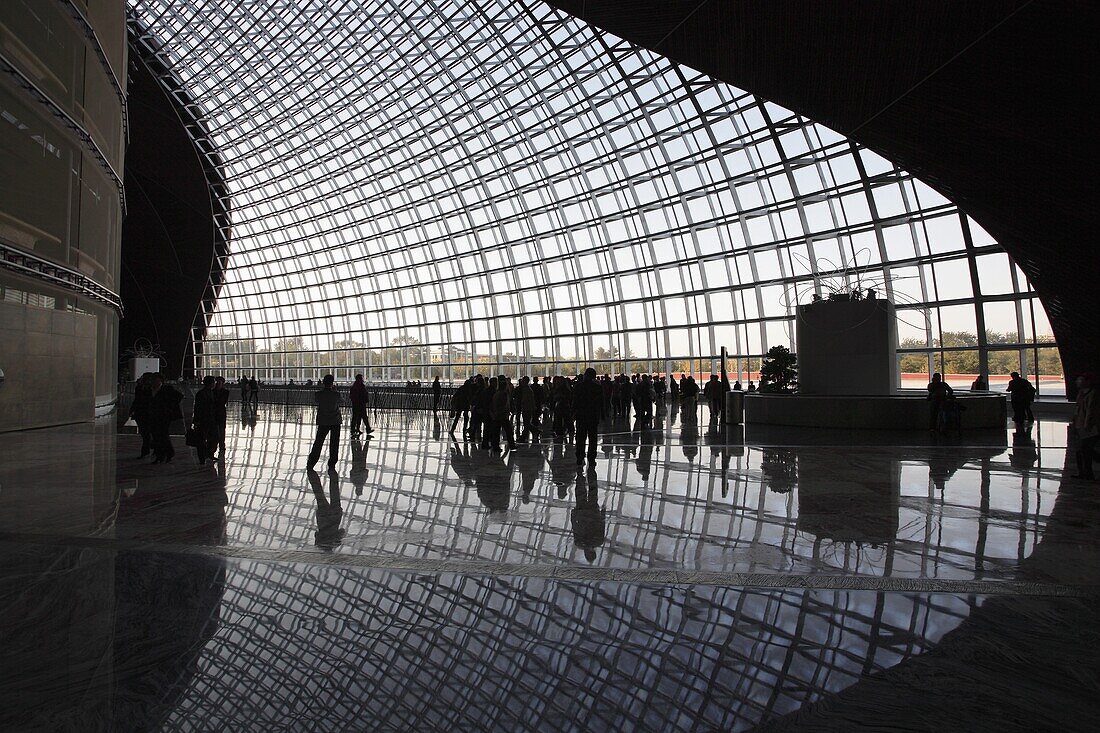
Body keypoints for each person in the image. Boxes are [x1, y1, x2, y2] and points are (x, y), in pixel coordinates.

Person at [307, 374, 341, 472]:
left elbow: (316, 401)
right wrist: (335, 391)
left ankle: (312, 461)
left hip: (323, 420)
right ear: (332, 382)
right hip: (335, 421)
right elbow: (341, 401)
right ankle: (332, 463)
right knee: (334, 443)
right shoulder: (336, 394)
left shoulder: (318, 394)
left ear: (323, 382)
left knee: (318, 442)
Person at [571, 466, 606, 563]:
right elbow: (575, 528)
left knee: (592, 491)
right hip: (582, 513)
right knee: (580, 491)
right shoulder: (579, 543)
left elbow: (602, 526)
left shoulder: (598, 542)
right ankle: (580, 474)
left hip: (592, 512)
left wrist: (603, 512)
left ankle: (591, 471)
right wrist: (573, 516)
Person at [147, 373, 182, 464]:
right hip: (153, 416)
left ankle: (164, 454)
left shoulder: (167, 389)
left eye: (157, 380)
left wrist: (169, 408)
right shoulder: (150, 389)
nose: (155, 381)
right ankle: (164, 454)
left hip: (164, 416)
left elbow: (179, 396)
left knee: (162, 435)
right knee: (157, 436)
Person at [573, 368, 603, 465]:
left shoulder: (578, 387)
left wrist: (573, 413)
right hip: (593, 416)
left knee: (580, 437)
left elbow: (574, 401)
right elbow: (600, 403)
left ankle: (580, 456)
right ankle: (591, 458)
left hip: (581, 415)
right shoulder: (597, 388)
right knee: (592, 438)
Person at [1072, 373, 1099, 480]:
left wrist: (1087, 424)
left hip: (1089, 426)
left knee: (1085, 448)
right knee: (1082, 449)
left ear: (1087, 381)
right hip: (1080, 424)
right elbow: (1078, 409)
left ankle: (1087, 472)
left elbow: (1091, 411)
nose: (1077, 382)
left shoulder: (1093, 394)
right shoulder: (1081, 393)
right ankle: (1084, 472)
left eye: (1080, 380)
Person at [191, 376, 221, 464]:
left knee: (213, 437)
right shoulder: (202, 394)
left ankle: (208, 454)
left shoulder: (208, 393)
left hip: (210, 419)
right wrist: (196, 421)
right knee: (202, 439)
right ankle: (203, 457)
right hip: (204, 420)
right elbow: (198, 408)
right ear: (211, 383)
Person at [129, 373, 155, 458]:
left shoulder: (149, 389)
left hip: (146, 413)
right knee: (145, 433)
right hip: (142, 412)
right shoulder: (141, 388)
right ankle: (150, 446)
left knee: (145, 433)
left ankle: (146, 450)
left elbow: (137, 400)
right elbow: (137, 400)